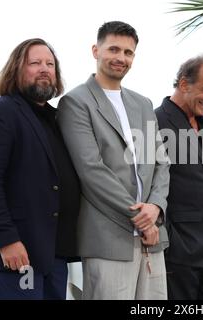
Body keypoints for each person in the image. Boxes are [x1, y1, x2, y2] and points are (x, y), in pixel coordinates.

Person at [57, 21, 170, 300]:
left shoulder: (143, 103)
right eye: (114, 49)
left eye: (128, 53)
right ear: (96, 51)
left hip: (151, 238)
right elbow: (91, 170)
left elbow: (161, 162)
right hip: (108, 237)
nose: (121, 58)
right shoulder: (75, 102)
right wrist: (141, 217)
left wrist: (155, 207)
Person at [0, 38, 81, 299]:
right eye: (35, 63)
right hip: (16, 256)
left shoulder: (57, 120)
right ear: (16, 70)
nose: (44, 68)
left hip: (53, 255)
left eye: (50, 64)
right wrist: (6, 240)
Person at [155, 55, 203, 300]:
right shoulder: (155, 121)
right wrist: (169, 241)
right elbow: (148, 184)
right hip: (178, 249)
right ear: (183, 84)